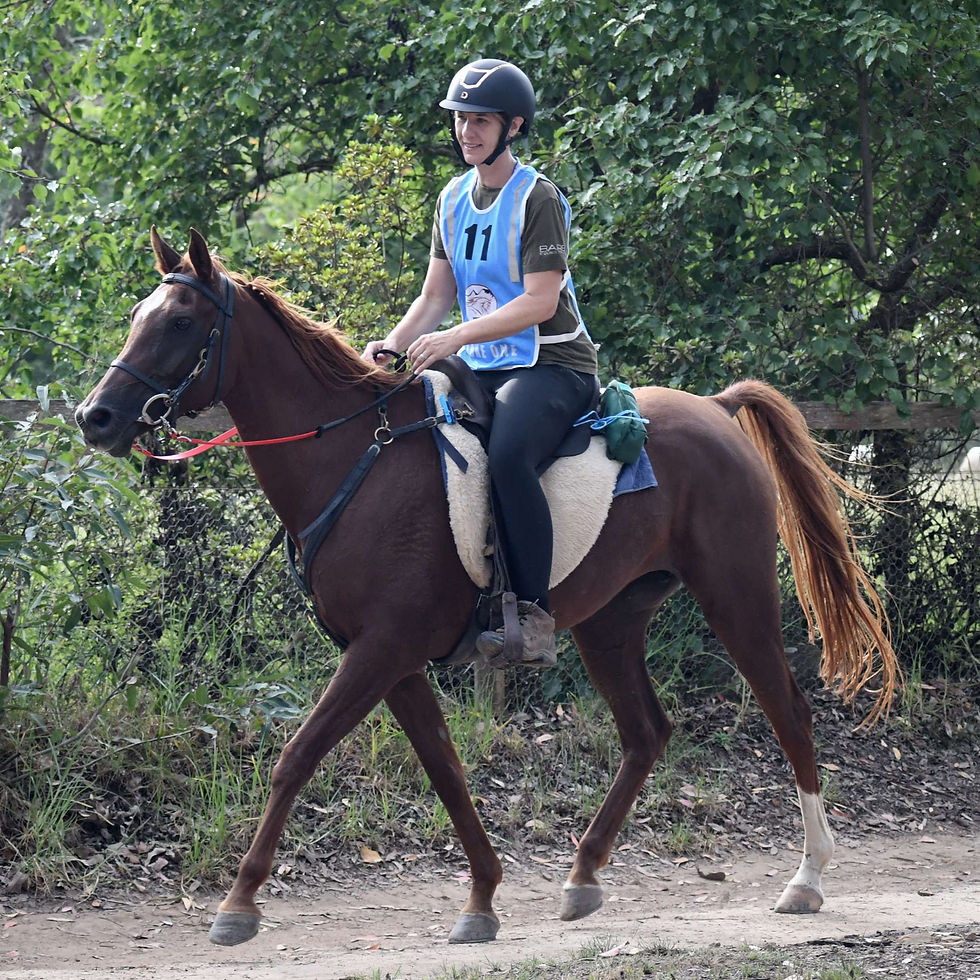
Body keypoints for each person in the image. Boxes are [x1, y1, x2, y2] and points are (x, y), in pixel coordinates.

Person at [363, 58, 598, 667]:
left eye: (481, 121)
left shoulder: (538, 198)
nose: (467, 132)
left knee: (509, 454)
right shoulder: (449, 199)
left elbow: (540, 301)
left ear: (512, 127)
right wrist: (390, 347)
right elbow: (434, 297)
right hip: (484, 363)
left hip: (551, 364)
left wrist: (453, 338)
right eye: (461, 120)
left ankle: (534, 619)